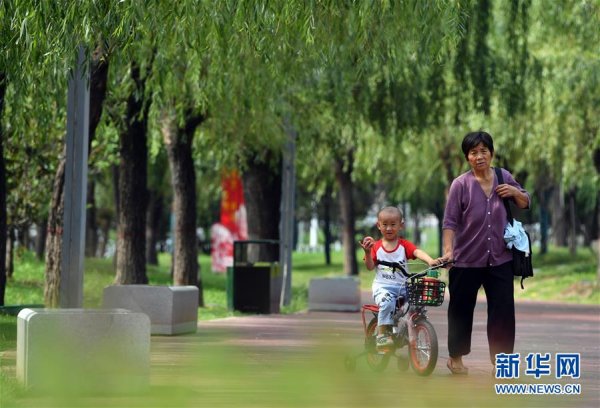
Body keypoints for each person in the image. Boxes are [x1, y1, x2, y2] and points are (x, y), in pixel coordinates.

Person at [441, 131, 530, 375]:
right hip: (465, 260)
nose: (479, 156)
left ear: (491, 153)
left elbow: (525, 201)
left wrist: (515, 192)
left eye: (483, 151)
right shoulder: (460, 184)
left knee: (502, 313)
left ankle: (502, 363)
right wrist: (448, 251)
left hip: (500, 258)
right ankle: (455, 358)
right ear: (467, 157)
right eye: (474, 152)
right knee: (460, 310)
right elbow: (449, 222)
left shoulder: (504, 177)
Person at [360, 206, 442, 350]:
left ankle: (412, 327)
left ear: (401, 225)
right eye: (385, 224)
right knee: (387, 303)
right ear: (378, 225)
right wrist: (367, 253)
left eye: (393, 224)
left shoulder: (403, 245)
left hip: (402, 286)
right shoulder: (376, 247)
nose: (389, 228)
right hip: (383, 287)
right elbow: (370, 266)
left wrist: (430, 261)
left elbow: (417, 252)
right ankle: (381, 336)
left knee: (417, 300)